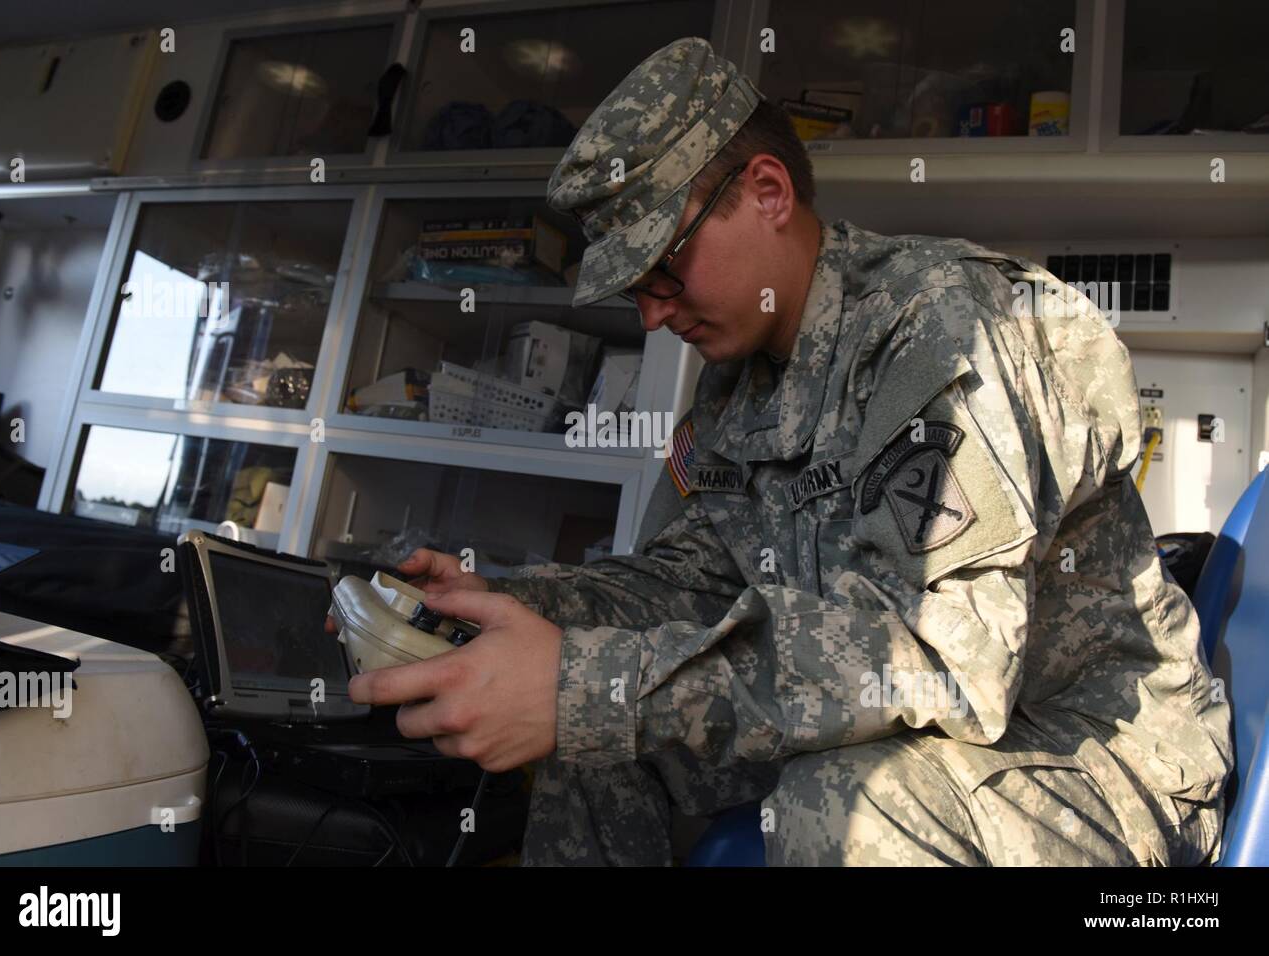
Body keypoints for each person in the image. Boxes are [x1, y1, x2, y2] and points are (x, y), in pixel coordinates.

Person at [345, 37, 1232, 866]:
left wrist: (586, 684)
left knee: (842, 799)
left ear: (767, 192)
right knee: (596, 748)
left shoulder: (947, 328)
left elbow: (943, 653)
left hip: (1092, 756)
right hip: (921, 738)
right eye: (635, 290)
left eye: (663, 268)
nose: (652, 313)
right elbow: (688, 582)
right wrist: (504, 602)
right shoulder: (737, 388)